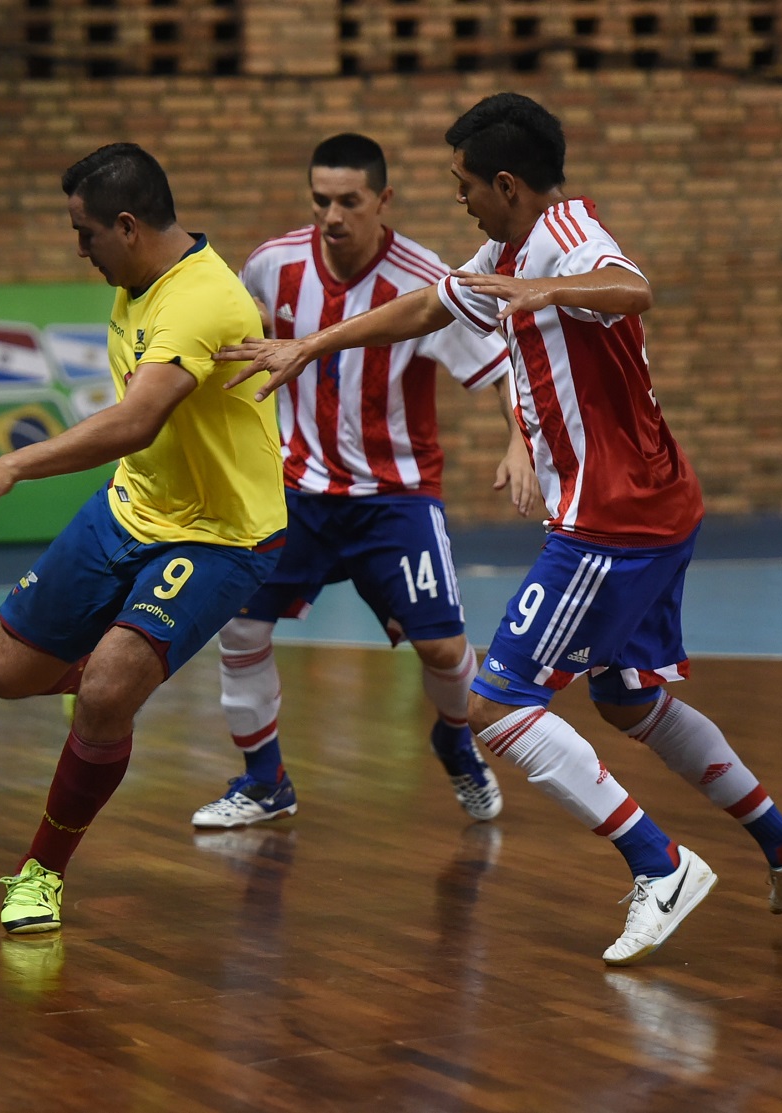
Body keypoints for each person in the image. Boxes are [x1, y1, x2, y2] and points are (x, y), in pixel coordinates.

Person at [218, 93, 782, 966]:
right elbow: (430, 309)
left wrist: (547, 286)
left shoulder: (567, 236)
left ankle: (659, 866)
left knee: (495, 706)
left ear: (507, 184)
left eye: (464, 184)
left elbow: (635, 288)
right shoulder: (506, 247)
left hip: (610, 520)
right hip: (654, 507)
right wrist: (310, 347)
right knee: (626, 697)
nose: (459, 197)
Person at [0, 142, 288, 934]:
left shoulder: (203, 298)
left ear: (128, 226)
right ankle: (119, 683)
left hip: (221, 534)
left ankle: (41, 872)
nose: (80, 251)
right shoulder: (136, 281)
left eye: (86, 234)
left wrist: (9, 467)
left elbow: (137, 419)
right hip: (132, 507)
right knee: (4, 673)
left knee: (102, 693)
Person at [191, 133, 536, 831]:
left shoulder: (422, 278)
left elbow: (500, 366)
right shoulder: (272, 265)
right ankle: (265, 782)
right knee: (240, 624)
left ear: (383, 200)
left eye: (350, 201)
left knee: (443, 648)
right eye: (321, 201)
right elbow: (237, 331)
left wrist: (519, 442)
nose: (333, 216)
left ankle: (455, 739)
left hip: (396, 497)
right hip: (294, 492)